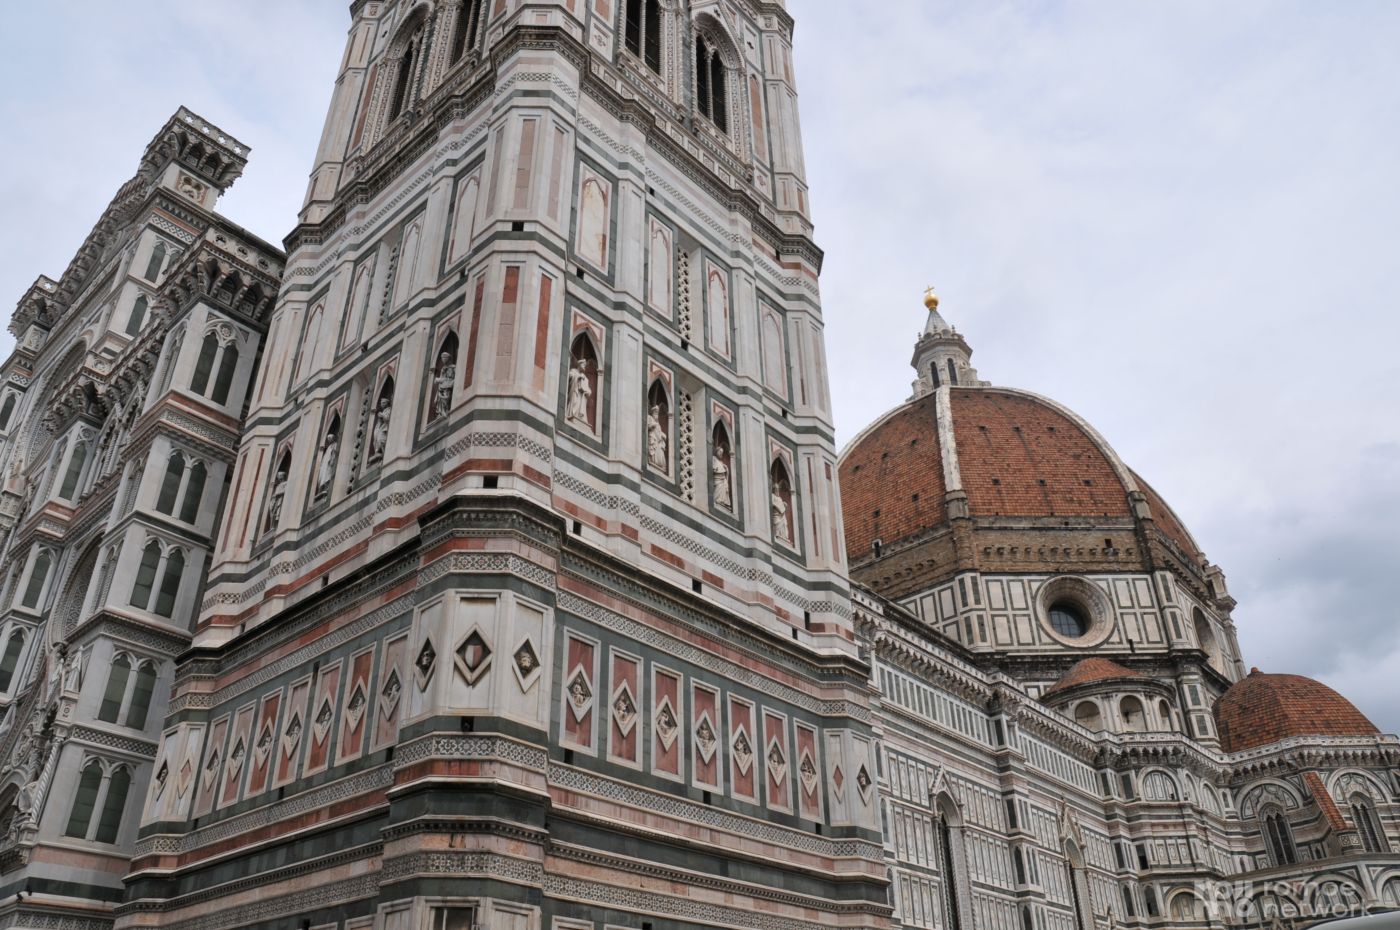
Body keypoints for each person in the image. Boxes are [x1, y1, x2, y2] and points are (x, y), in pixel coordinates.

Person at [566, 356, 592, 425]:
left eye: (585, 366)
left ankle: (580, 418)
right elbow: (570, 376)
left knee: (580, 405)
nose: (584, 367)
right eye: (583, 365)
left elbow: (587, 387)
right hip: (575, 391)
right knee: (574, 402)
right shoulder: (573, 371)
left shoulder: (585, 377)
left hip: (581, 396)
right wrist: (578, 377)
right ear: (579, 365)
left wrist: (588, 392)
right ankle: (572, 414)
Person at [433, 352, 454, 420]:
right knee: (438, 399)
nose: (443, 359)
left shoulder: (453, 367)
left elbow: (453, 378)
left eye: (444, 358)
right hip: (442, 386)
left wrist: (440, 380)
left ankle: (446, 409)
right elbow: (442, 377)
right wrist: (439, 380)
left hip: (448, 385)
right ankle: (441, 411)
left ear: (448, 358)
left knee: (446, 396)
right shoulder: (443, 368)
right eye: (442, 358)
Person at [370, 396, 392, 460]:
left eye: (384, 403)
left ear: (387, 403)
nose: (382, 404)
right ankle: (377, 452)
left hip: (385, 428)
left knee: (381, 439)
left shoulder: (389, 410)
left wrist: (382, 415)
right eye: (381, 403)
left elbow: (387, 419)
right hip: (380, 428)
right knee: (376, 439)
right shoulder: (384, 411)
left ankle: (383, 454)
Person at [647, 404, 667, 470]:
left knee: (660, 454)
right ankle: (652, 461)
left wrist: (663, 435)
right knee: (653, 450)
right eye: (655, 413)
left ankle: (660, 465)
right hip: (653, 439)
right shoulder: (649, 418)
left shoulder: (658, 423)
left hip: (658, 441)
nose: (656, 415)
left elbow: (659, 431)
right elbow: (648, 426)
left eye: (657, 414)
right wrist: (653, 425)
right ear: (652, 413)